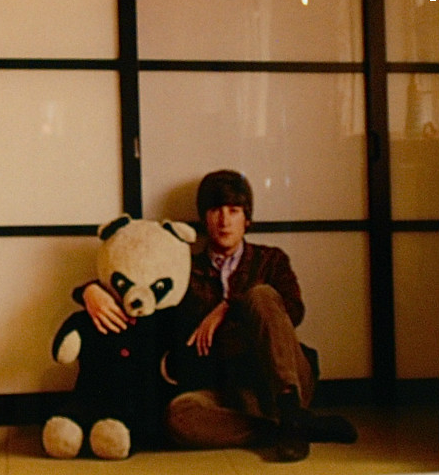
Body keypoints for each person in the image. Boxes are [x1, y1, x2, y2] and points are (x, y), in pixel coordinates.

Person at [76, 170, 356, 462]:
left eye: (234, 211)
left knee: (260, 295)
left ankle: (289, 409)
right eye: (215, 210)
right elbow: (141, 296)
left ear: (247, 219)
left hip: (282, 379)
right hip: (230, 391)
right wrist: (90, 292)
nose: (224, 220)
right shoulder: (184, 268)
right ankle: (290, 427)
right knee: (178, 416)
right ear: (204, 218)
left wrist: (229, 306)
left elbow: (294, 312)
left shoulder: (271, 259)